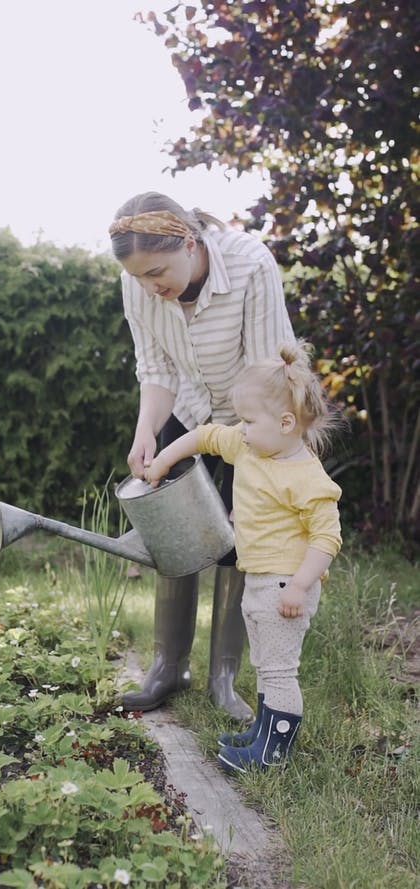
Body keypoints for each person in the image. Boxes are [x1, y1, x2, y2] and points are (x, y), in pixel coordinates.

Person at [109, 191, 295, 721]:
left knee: (241, 540)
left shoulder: (250, 265)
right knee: (173, 531)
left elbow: (266, 374)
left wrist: (253, 472)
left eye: (158, 271)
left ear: (190, 243)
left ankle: (224, 677)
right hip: (190, 409)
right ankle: (169, 666)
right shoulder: (137, 283)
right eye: (140, 276)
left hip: (256, 414)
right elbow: (157, 370)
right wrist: (147, 431)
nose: (151, 286)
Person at [144, 339, 342, 772]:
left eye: (249, 421)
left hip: (286, 585)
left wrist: (301, 585)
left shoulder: (307, 476)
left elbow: (326, 539)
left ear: (287, 422)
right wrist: (161, 460)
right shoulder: (249, 445)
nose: (242, 429)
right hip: (259, 580)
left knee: (278, 670)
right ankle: (262, 734)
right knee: (264, 664)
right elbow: (204, 435)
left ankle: (271, 754)